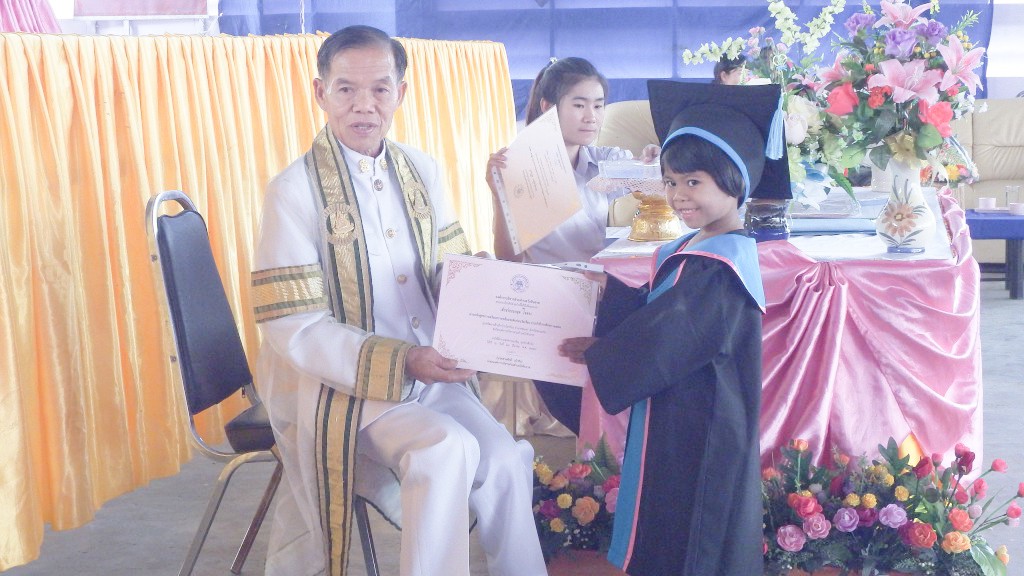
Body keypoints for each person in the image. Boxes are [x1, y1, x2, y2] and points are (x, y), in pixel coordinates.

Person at [251, 25, 546, 576]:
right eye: (346, 89)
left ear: (401, 93)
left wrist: (475, 283)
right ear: (320, 93)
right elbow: (293, 324)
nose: (364, 105)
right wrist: (404, 360)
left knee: (507, 460)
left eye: (380, 89)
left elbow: (445, 267)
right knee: (444, 450)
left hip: (432, 376)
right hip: (345, 390)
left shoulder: (421, 170)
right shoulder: (293, 191)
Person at [558, 79, 788, 575]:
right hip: (683, 415)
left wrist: (602, 351)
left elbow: (671, 335)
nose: (678, 196)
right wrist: (608, 294)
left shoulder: (720, 265)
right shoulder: (696, 248)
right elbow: (659, 309)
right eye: (670, 182)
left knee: (692, 537)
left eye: (694, 183)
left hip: (702, 429)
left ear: (736, 182)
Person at [484, 56, 658, 434]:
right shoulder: (519, 164)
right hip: (548, 300)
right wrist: (498, 195)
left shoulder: (603, 160)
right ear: (549, 107)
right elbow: (508, 257)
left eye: (598, 105)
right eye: (579, 105)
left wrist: (651, 165)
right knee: (580, 406)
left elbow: (651, 183)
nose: (591, 117)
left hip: (598, 295)